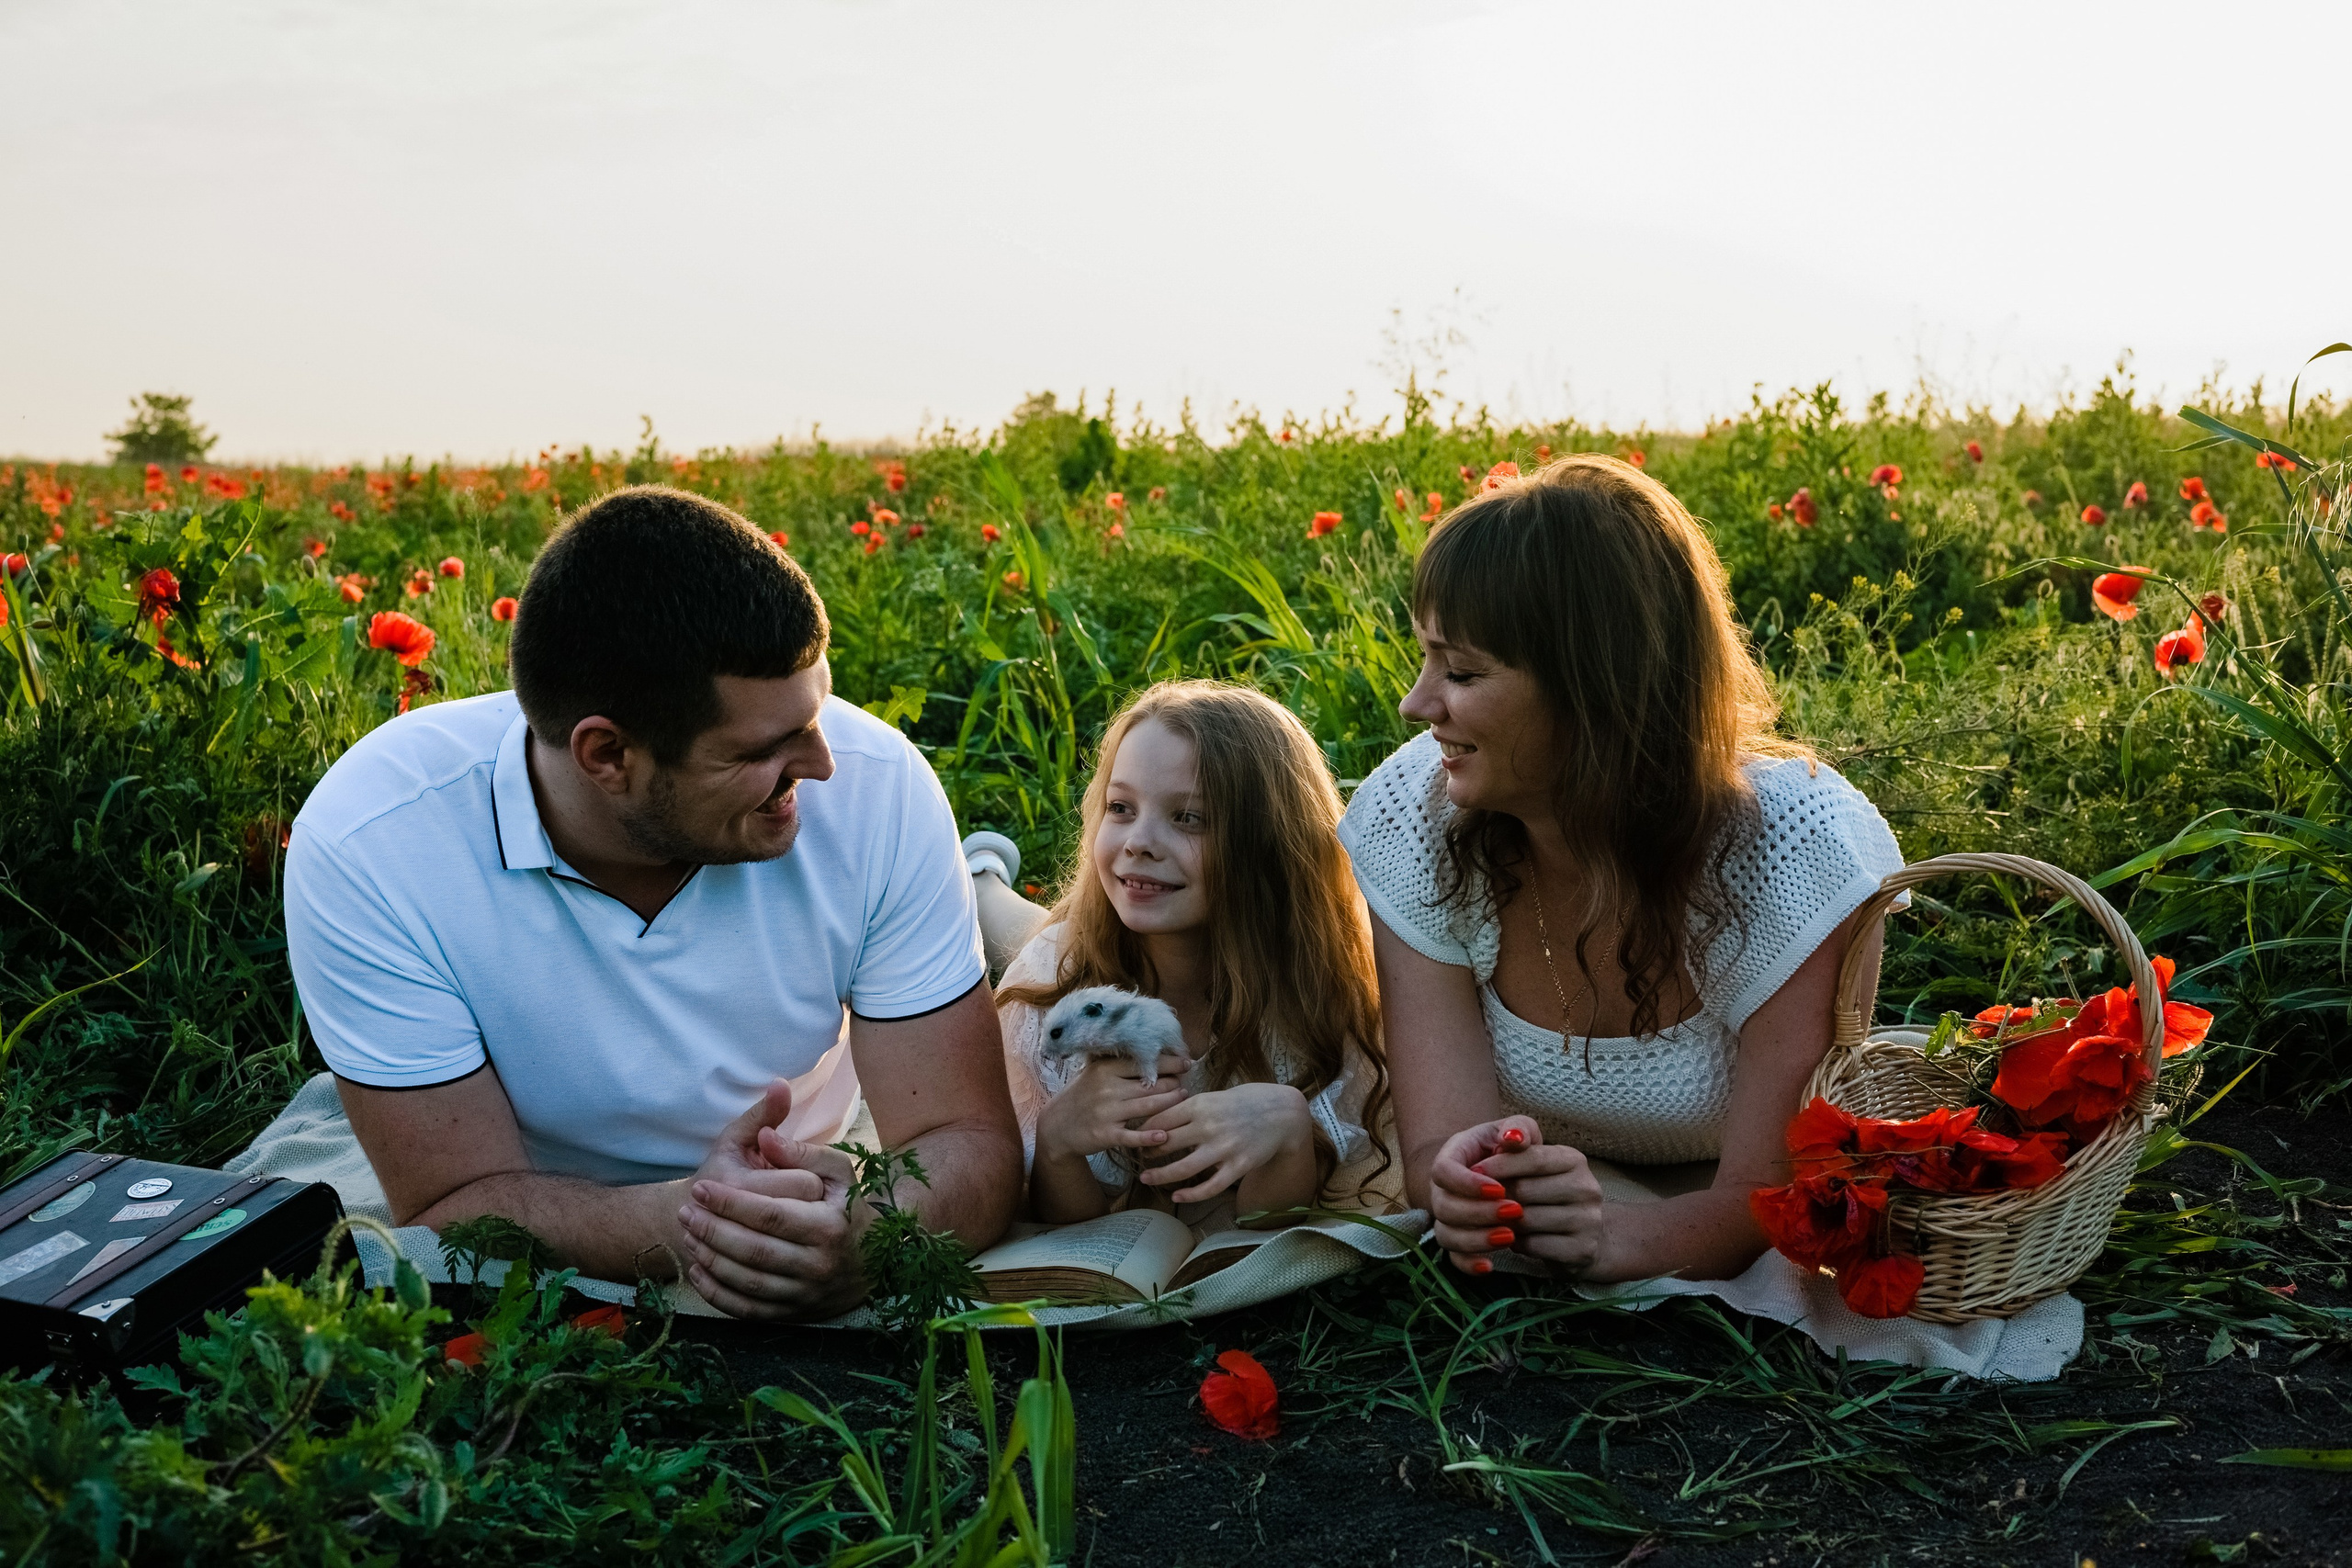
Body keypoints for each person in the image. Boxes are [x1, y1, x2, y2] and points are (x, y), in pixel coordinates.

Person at [277, 485, 1021, 1319]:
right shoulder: (374, 842)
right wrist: (704, 1223)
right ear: (607, 754)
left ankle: (985, 890)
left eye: (815, 713)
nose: (822, 764)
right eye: (762, 749)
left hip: (818, 1161)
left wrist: (868, 1234)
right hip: (557, 1186)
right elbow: (454, 1202)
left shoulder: (880, 788)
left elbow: (973, 1143)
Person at [1338, 455, 1903, 1282]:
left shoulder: (1792, 850)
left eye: (1460, 672)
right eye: (1427, 661)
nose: (1416, 705)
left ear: (1596, 690)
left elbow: (1767, 1193)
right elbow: (1433, 1145)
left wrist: (1617, 1240)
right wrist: (1466, 1184)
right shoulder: (1417, 812)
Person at [997, 681, 1391, 1228]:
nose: (1138, 841)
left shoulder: (1323, 993)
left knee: (1018, 917)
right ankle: (982, 884)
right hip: (1078, 947)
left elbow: (1274, 1227)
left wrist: (1289, 1131)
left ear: (1269, 847)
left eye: (1188, 818)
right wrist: (1059, 1141)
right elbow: (1050, 1218)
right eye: (1120, 807)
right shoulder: (1050, 989)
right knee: (1013, 927)